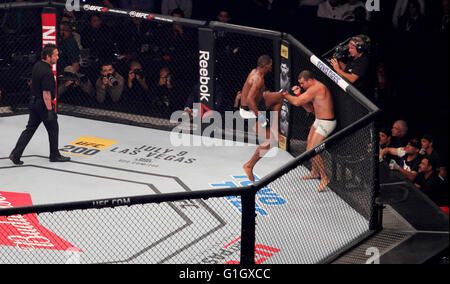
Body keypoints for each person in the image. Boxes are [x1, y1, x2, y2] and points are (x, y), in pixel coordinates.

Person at [9, 44, 70, 165]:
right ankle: (54, 155)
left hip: (33, 102)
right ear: (48, 56)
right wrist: (49, 111)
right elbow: (46, 93)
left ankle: (16, 154)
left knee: (30, 129)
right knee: (53, 128)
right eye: (55, 55)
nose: (57, 57)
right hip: (42, 104)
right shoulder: (47, 72)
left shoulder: (37, 65)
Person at [282, 70, 336, 192]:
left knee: (314, 150)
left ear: (310, 80)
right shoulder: (312, 89)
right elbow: (310, 108)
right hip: (318, 120)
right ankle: (315, 172)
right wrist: (297, 94)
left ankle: (324, 177)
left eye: (302, 83)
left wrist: (285, 95)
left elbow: (296, 103)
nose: (301, 85)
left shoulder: (316, 88)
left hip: (326, 122)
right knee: (308, 148)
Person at [239, 55, 284, 183]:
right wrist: (260, 116)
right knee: (272, 140)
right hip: (250, 112)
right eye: (270, 65)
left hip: (255, 104)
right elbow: (249, 100)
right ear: (265, 66)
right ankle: (249, 165)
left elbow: (254, 95)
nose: (271, 67)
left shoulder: (255, 72)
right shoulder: (257, 79)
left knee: (279, 97)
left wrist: (264, 95)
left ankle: (275, 129)